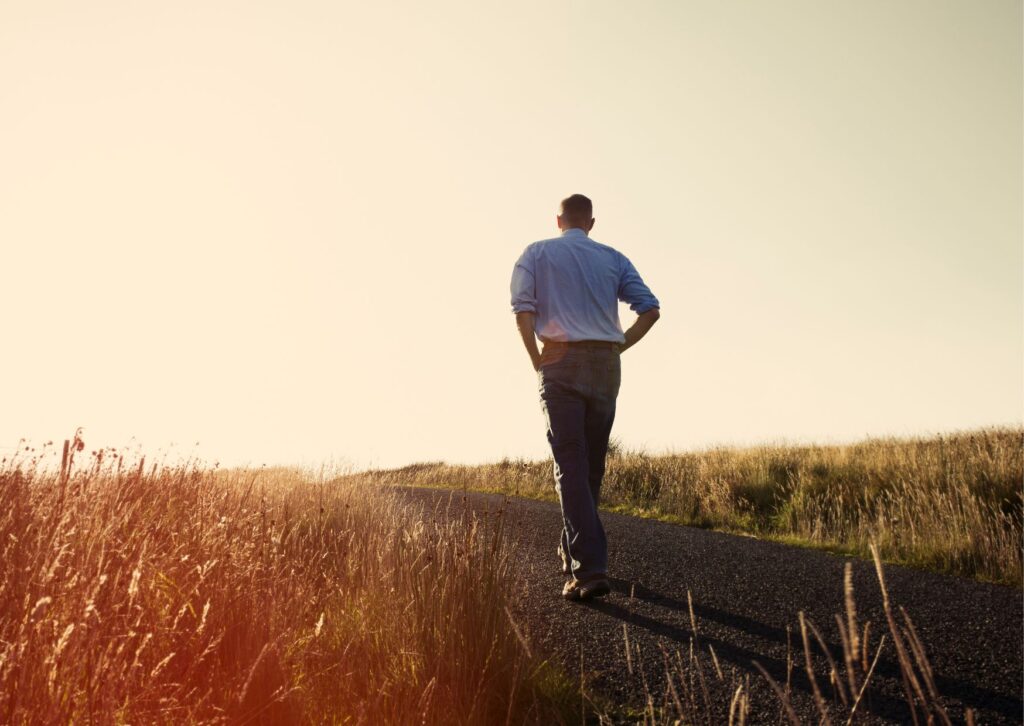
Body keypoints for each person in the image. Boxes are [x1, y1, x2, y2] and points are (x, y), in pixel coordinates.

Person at [510, 194, 661, 601]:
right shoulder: (613, 258)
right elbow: (650, 309)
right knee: (590, 466)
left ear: (558, 219)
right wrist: (617, 348)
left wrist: (536, 360)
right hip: (605, 365)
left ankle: (590, 570)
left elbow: (523, 311)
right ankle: (574, 551)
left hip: (559, 361)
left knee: (570, 465)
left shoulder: (536, 253)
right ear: (591, 222)